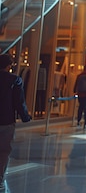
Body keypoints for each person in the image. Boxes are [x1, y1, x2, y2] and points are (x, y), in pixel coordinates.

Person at [0, 54, 32, 191]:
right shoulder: (15, 80)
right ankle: (0, 178)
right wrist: (25, 117)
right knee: (3, 151)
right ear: (8, 66)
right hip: (6, 120)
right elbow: (19, 101)